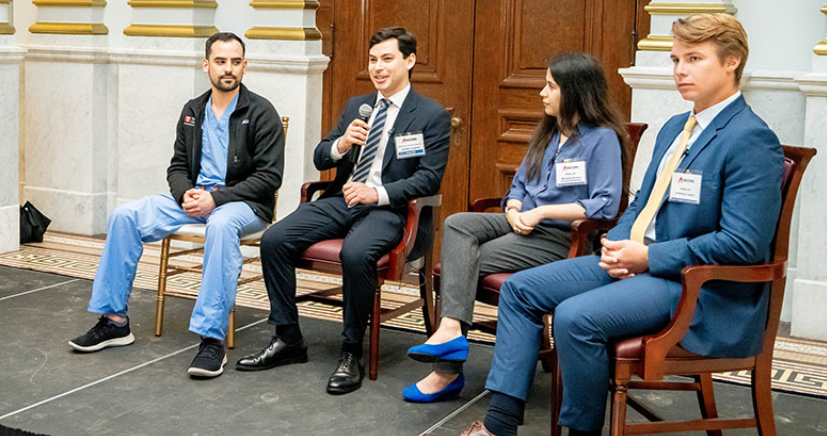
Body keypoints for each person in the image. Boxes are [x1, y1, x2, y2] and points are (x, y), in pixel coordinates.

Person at [418, 13, 784, 436]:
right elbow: (640, 202)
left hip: (697, 286)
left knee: (576, 317)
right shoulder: (679, 126)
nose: (680, 70)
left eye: (694, 59)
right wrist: (616, 243)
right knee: (523, 290)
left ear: (732, 62)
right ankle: (499, 433)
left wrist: (649, 255)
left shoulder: (750, 139)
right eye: (676, 59)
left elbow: (744, 244)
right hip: (640, 262)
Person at [403, 52, 629, 403]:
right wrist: (513, 208)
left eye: (551, 86)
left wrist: (541, 214)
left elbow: (606, 204)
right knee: (457, 223)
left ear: (576, 92)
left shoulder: (602, 139)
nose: (542, 92)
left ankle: (445, 371)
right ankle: (450, 333)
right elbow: (520, 185)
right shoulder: (549, 133)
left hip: (562, 238)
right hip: (522, 226)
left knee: (461, 263)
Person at [236, 27, 451, 394]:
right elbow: (320, 155)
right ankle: (288, 338)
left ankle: (351, 349)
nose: (378, 68)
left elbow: (428, 181)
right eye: (373, 60)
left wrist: (377, 193)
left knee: (356, 253)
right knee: (274, 239)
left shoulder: (430, 115)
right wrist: (340, 144)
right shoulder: (358, 105)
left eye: (387, 59)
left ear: (409, 61)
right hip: (342, 199)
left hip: (390, 209)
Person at [68, 32, 284, 379]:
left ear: (244, 65)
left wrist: (216, 198)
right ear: (206, 65)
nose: (227, 69)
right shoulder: (193, 111)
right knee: (124, 216)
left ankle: (211, 338)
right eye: (220, 61)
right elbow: (178, 167)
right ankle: (114, 321)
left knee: (220, 224)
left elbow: (270, 178)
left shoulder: (261, 112)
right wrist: (185, 194)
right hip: (194, 198)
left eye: (234, 61)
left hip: (243, 205)